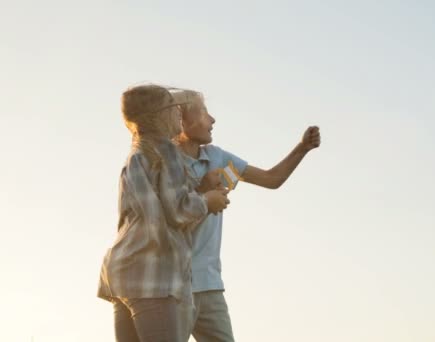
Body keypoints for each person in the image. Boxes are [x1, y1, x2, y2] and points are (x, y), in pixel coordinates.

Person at [172, 89, 321, 341]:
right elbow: (167, 215)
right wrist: (203, 190)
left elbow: (270, 179)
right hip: (172, 285)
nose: (213, 119)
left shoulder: (217, 158)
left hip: (209, 285)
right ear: (181, 121)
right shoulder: (164, 163)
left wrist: (302, 148)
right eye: (204, 112)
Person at [97, 84, 230, 342]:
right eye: (173, 109)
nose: (178, 115)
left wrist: (200, 189)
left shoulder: (137, 153)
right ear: (161, 114)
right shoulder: (166, 151)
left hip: (121, 274)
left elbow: (157, 208)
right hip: (152, 277)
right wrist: (208, 201)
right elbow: (178, 211)